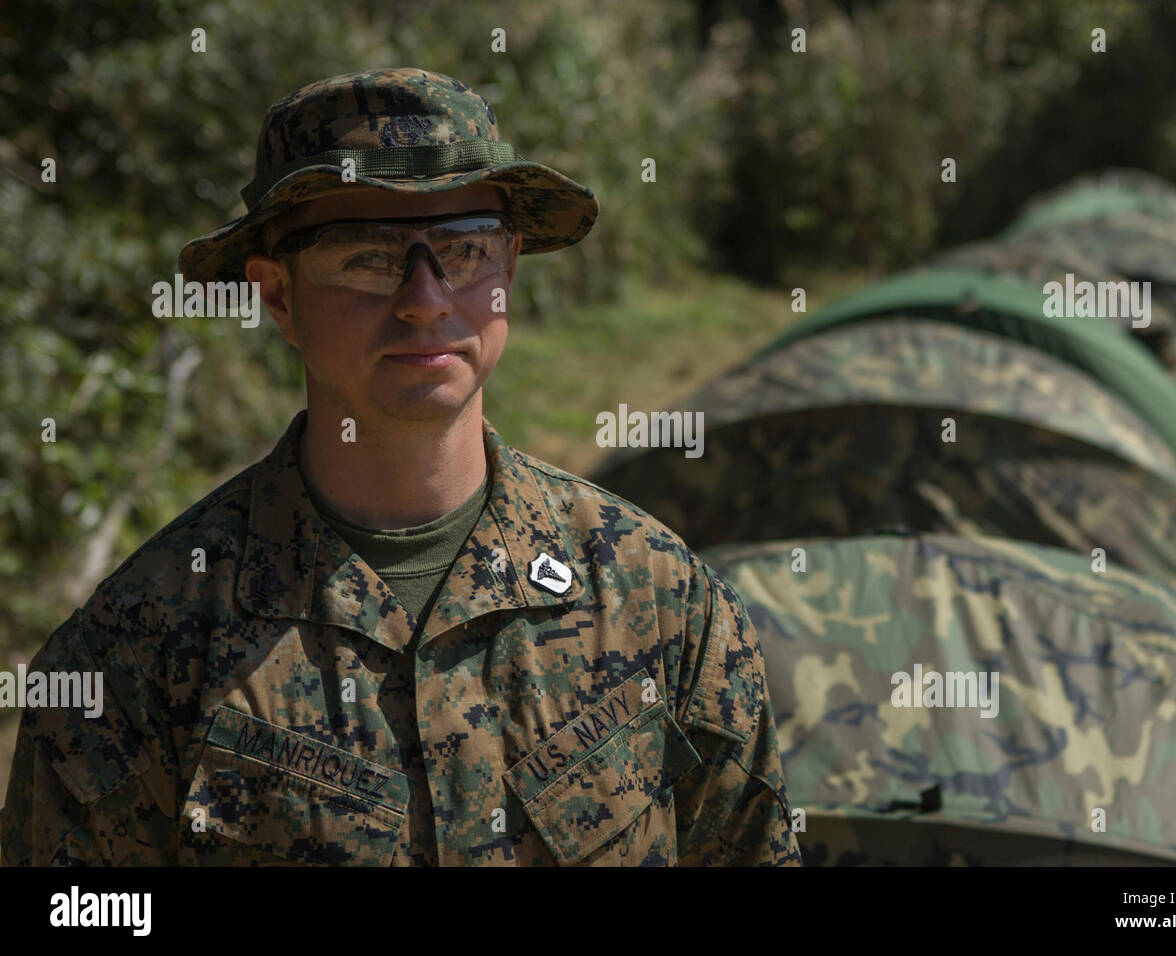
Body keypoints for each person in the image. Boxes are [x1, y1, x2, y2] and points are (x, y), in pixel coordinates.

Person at [0, 68, 801, 866]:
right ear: (277, 295)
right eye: (366, 257)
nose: (426, 299)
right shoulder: (136, 651)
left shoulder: (656, 596)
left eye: (464, 249)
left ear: (508, 269)